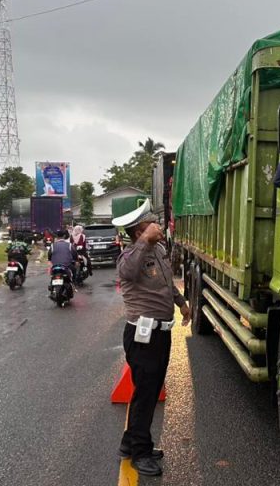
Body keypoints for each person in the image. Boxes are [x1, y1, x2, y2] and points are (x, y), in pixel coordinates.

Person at [113, 201, 191, 477]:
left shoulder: (158, 249)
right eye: (150, 223)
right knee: (145, 394)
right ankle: (140, 452)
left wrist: (181, 301)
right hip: (142, 336)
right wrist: (143, 242)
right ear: (138, 232)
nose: (157, 225)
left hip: (161, 332)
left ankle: (129, 443)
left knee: (148, 390)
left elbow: (166, 283)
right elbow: (127, 273)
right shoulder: (130, 254)